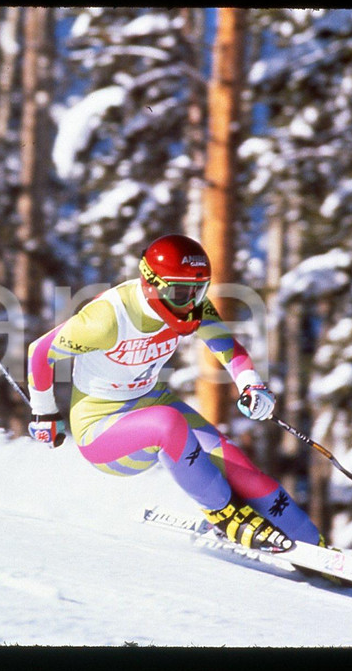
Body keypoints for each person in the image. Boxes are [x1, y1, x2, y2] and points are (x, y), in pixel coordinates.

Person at [26, 234, 322, 552]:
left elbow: (226, 345)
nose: (191, 303)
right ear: (151, 285)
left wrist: (250, 383)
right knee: (167, 423)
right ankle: (224, 515)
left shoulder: (188, 305)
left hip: (151, 402)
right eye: (182, 293)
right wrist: (44, 414)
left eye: (199, 291)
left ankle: (316, 547)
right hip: (101, 430)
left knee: (246, 475)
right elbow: (40, 351)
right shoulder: (107, 320)